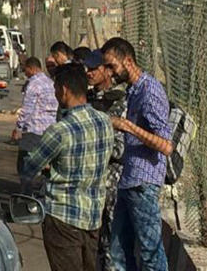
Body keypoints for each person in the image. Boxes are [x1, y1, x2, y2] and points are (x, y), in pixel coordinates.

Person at [23, 63, 114, 271]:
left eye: (56, 90)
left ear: (64, 90)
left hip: (63, 217)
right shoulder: (105, 122)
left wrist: (47, 168)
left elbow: (29, 167)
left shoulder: (60, 131)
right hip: (93, 217)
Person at [101, 38, 172, 271]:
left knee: (150, 252)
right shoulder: (133, 90)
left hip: (143, 182)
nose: (109, 73)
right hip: (129, 180)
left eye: (112, 66)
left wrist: (128, 126)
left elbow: (165, 145)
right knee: (118, 251)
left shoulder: (150, 90)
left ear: (128, 60)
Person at [83, 50, 128, 271]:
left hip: (112, 183)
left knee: (113, 248)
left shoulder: (120, 101)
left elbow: (119, 149)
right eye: (87, 69)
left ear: (107, 71)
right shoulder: (91, 99)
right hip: (92, 184)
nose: (89, 73)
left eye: (93, 68)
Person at [10, 57, 58, 193]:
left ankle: (27, 196)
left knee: (25, 165)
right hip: (50, 130)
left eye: (25, 69)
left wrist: (19, 127)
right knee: (46, 164)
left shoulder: (33, 84)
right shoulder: (50, 83)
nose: (24, 72)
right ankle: (44, 193)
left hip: (33, 130)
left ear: (31, 68)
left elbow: (27, 108)